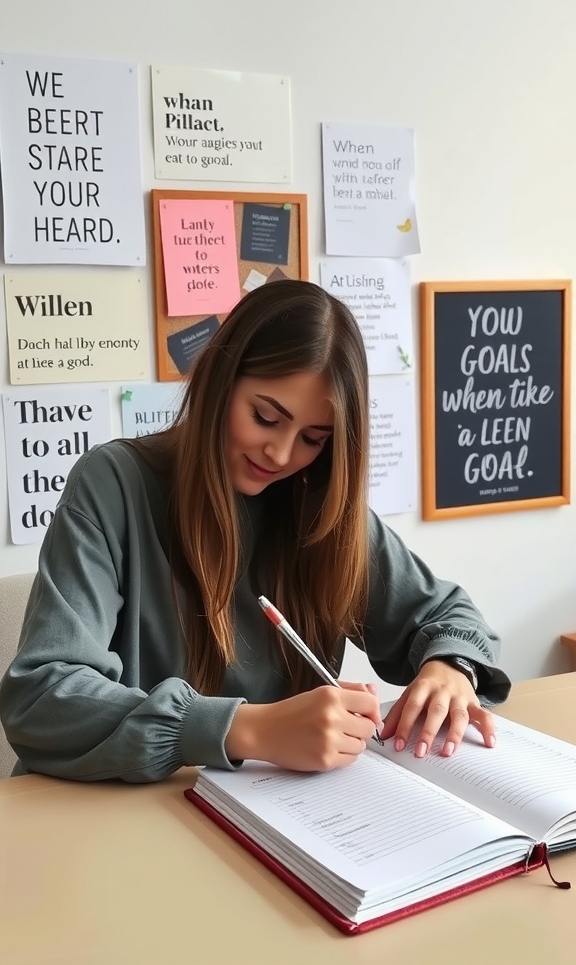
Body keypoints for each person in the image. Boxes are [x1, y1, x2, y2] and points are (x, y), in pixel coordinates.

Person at [0, 280, 510, 783]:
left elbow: (449, 615)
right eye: (265, 417)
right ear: (221, 381)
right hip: (114, 813)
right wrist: (244, 729)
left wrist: (450, 669)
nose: (282, 455)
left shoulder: (319, 505)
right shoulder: (113, 484)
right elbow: (43, 697)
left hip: (277, 821)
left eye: (313, 438)